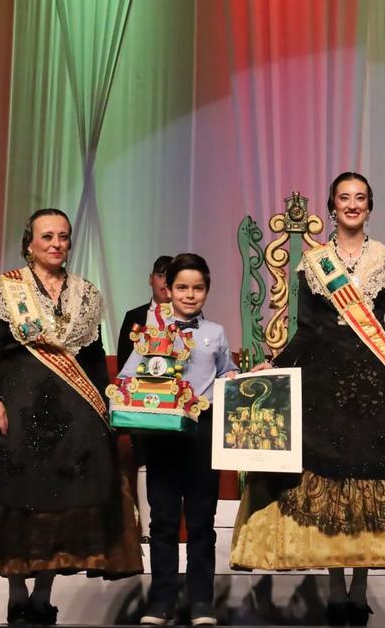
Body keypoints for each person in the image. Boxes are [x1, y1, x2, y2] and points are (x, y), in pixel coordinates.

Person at [231, 172, 385, 625]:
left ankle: (359, 586)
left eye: (360, 198)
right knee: (334, 484)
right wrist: (274, 364)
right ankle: (335, 586)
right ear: (332, 207)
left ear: (370, 207)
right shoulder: (314, 263)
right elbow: (306, 329)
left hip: (378, 381)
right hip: (324, 380)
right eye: (344, 198)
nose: (352, 205)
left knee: (368, 480)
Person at [0, 208, 142, 625]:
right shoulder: (6, 288)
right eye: (47, 237)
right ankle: (17, 593)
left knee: (60, 506)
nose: (56, 244)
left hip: (72, 414)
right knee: (18, 501)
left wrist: (106, 411)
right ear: (30, 243)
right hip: (16, 408)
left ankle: (43, 595)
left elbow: (92, 356)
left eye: (63, 237)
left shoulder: (86, 294)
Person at [133, 253, 237, 626]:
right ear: (168, 289)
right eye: (182, 287)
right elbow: (131, 376)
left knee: (200, 522)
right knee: (161, 521)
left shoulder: (216, 333)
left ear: (206, 291)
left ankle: (201, 603)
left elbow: (228, 374)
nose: (190, 295)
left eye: (198, 288)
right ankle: (160, 601)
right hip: (162, 434)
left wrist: (245, 378)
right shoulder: (151, 331)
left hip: (202, 434)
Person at [116, 254, 173, 544]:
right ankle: (149, 530)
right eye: (160, 275)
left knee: (174, 463)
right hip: (142, 401)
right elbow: (124, 362)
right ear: (151, 279)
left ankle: (172, 525)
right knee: (144, 460)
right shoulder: (134, 317)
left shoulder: (189, 315)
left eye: (170, 275)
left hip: (177, 401)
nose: (165, 281)